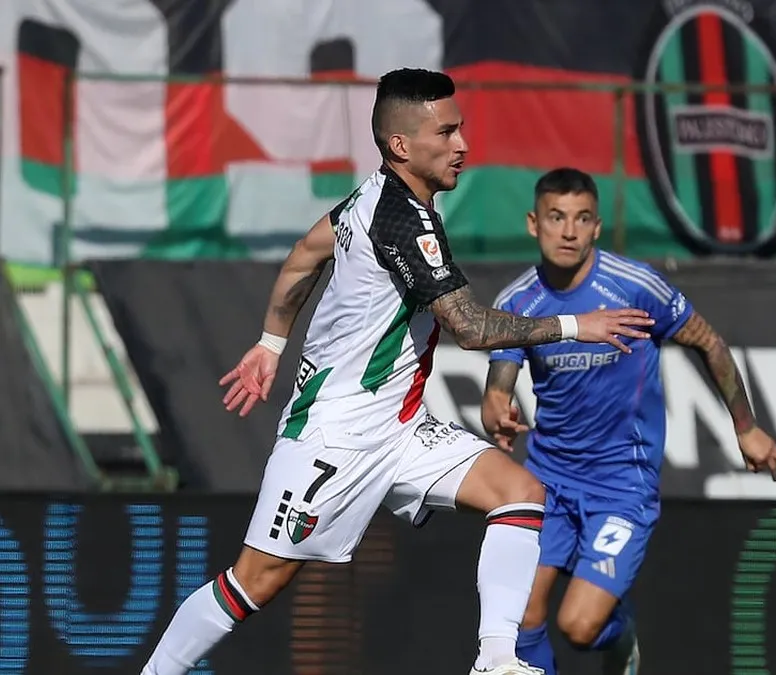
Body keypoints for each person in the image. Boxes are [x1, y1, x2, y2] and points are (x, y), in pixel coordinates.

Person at [139, 69, 656, 675]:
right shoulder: (404, 222)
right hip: (335, 433)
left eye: (461, 128)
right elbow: (469, 328)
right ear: (402, 145)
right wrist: (576, 326)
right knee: (253, 583)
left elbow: (307, 253)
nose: (463, 144)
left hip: (401, 427)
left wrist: (270, 341)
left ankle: (496, 660)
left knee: (519, 494)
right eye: (448, 131)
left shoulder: (369, 198)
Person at [480, 167, 776, 675]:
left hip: (622, 483)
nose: (569, 231)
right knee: (521, 620)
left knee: (580, 627)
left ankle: (622, 638)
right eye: (556, 218)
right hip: (549, 482)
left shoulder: (634, 286)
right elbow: (499, 381)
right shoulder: (519, 301)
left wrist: (745, 426)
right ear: (534, 223)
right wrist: (496, 404)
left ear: (597, 227)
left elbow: (708, 342)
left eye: (581, 219)